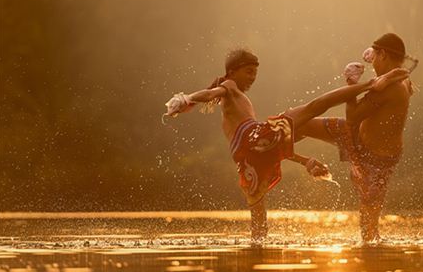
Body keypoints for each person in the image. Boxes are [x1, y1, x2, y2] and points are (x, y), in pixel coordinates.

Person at [163, 48, 409, 244]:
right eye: (249, 72)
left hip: (246, 158)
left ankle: (255, 259)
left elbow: (268, 150)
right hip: (254, 136)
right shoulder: (229, 87)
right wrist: (187, 98)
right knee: (313, 107)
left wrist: (306, 162)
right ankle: (369, 83)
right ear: (232, 72)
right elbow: (209, 94)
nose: (252, 78)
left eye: (254, 73)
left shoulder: (231, 100)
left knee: (258, 225)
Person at [296, 33, 415, 244]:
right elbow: (398, 73)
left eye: (375, 57)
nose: (373, 64)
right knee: (301, 124)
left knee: (369, 234)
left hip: (376, 161)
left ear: (383, 55)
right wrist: (380, 73)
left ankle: (373, 262)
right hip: (357, 137)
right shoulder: (401, 77)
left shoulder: (392, 86)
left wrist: (351, 84)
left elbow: (352, 117)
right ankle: (275, 143)